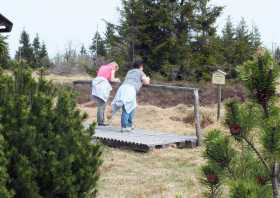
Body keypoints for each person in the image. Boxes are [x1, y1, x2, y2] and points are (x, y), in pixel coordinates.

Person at [111, 60, 150, 132]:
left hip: (122, 88)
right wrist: (148, 79)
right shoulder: (141, 72)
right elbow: (146, 82)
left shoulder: (129, 71)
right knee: (127, 107)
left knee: (132, 106)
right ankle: (125, 126)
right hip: (130, 89)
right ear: (141, 66)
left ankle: (129, 125)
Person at [91, 61, 120, 126]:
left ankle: (100, 121)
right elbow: (112, 79)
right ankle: (101, 122)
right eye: (116, 69)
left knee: (100, 104)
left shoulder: (103, 67)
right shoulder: (112, 68)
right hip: (102, 85)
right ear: (115, 67)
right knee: (102, 105)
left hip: (96, 84)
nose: (115, 71)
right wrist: (117, 79)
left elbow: (105, 76)